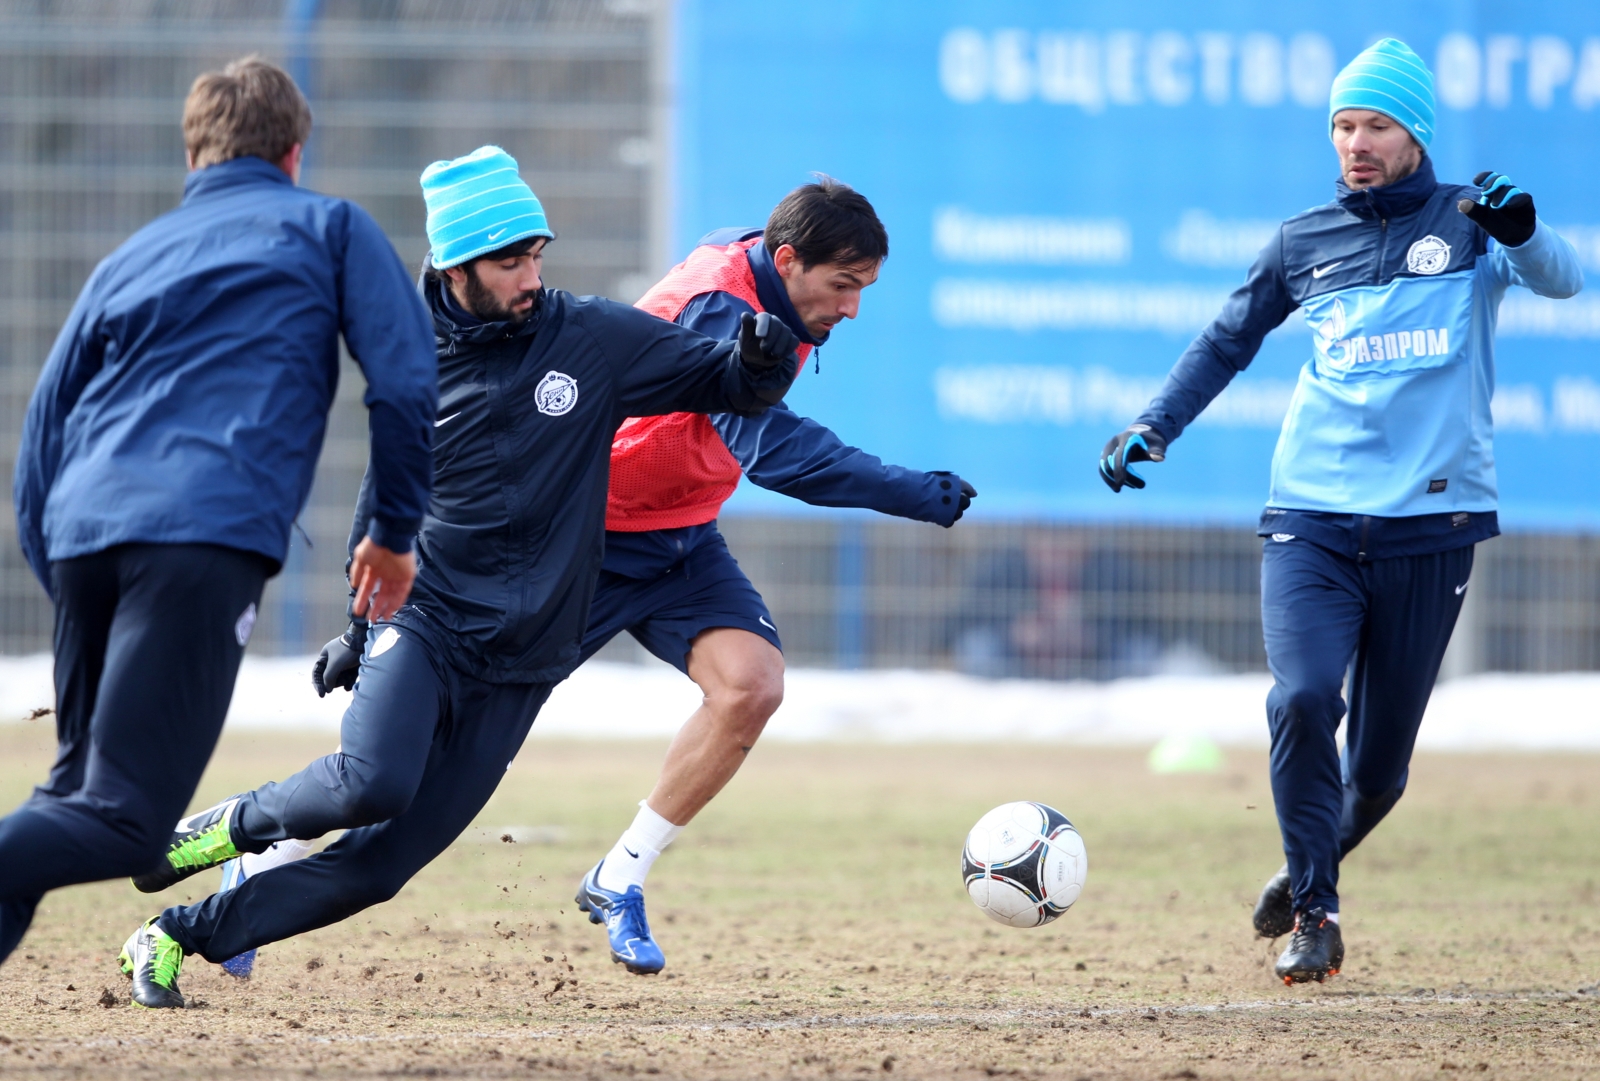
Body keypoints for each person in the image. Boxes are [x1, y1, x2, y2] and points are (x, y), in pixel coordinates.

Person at [115, 145, 804, 1008]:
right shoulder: (406, 350)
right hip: (429, 620)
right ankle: (219, 830)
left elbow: (728, 381)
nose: (530, 276)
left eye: (536, 255)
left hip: (524, 660)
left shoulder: (588, 336)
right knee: (372, 781)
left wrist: (767, 356)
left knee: (379, 869)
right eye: (510, 260)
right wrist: (360, 629)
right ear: (455, 263)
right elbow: (388, 484)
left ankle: (175, 934)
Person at [1096, 39, 1582, 984]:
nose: (1356, 143)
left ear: (1416, 135)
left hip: (1431, 529)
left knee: (1381, 772)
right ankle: (1317, 911)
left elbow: (1563, 278)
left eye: (1376, 125)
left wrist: (1522, 230)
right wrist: (1154, 425)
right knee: (1305, 695)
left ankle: (1303, 864)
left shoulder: (1471, 223)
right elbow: (1225, 340)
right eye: (1343, 126)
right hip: (1309, 516)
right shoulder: (1303, 238)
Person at [1, 57, 436, 970]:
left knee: (69, 795)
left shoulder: (134, 253)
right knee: (125, 825)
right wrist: (395, 533)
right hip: (198, 536)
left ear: (192, 156)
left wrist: (64, 562)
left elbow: (45, 426)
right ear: (294, 152)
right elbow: (402, 383)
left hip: (83, 534)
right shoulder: (330, 227)